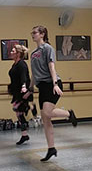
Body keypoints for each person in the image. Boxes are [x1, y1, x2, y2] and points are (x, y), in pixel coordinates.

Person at [24, 25, 77, 162]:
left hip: (52, 84)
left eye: (35, 32)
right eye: (32, 32)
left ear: (42, 34)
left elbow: (51, 66)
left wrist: (54, 83)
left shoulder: (48, 48)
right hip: (42, 87)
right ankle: (51, 148)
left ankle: (69, 114)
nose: (32, 34)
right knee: (46, 119)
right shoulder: (33, 53)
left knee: (47, 113)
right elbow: (34, 74)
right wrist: (30, 88)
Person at [8, 44, 32, 145]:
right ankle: (24, 135)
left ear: (18, 53)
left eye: (13, 51)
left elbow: (24, 77)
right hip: (17, 92)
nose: (11, 53)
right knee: (18, 113)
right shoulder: (15, 64)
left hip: (22, 91)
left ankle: (30, 107)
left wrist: (23, 86)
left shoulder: (22, 64)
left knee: (18, 110)